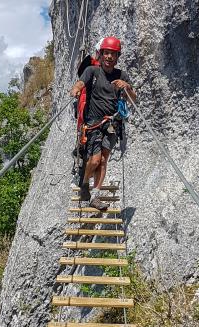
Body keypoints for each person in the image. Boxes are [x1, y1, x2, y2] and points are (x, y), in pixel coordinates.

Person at [69, 36, 137, 210]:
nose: (109, 57)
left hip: (113, 123)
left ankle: (95, 195)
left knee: (104, 160)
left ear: (117, 57)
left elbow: (134, 100)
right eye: (106, 53)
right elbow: (80, 83)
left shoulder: (121, 75)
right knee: (94, 160)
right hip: (94, 123)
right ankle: (84, 186)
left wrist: (127, 87)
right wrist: (76, 90)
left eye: (113, 54)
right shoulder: (92, 71)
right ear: (101, 54)